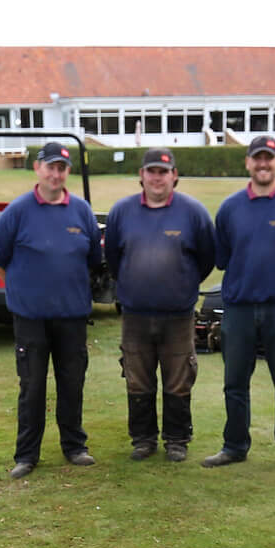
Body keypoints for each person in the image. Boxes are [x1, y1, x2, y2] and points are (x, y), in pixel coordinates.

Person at [202, 134, 275, 475]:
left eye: (269, 158)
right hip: (238, 308)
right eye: (257, 158)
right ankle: (235, 446)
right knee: (234, 382)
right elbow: (222, 258)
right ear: (248, 163)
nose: (263, 163)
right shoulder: (230, 208)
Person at [0, 139, 101, 479]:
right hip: (31, 318)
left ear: (68, 172)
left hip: (72, 316)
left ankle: (74, 446)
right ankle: (26, 455)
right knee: (32, 386)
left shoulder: (81, 211)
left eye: (62, 168)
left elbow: (94, 259)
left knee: (72, 383)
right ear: (37, 169)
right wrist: (24, 289)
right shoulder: (17, 212)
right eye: (50, 166)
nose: (56, 173)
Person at [102, 147, 216, 462]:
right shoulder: (121, 212)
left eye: (163, 172)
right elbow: (113, 257)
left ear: (174, 176)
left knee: (179, 378)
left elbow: (207, 259)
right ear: (142, 176)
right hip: (135, 315)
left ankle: (177, 440)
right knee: (138, 378)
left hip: (177, 316)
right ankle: (143, 439)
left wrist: (180, 284)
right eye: (151, 171)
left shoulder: (193, 213)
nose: (157, 177)